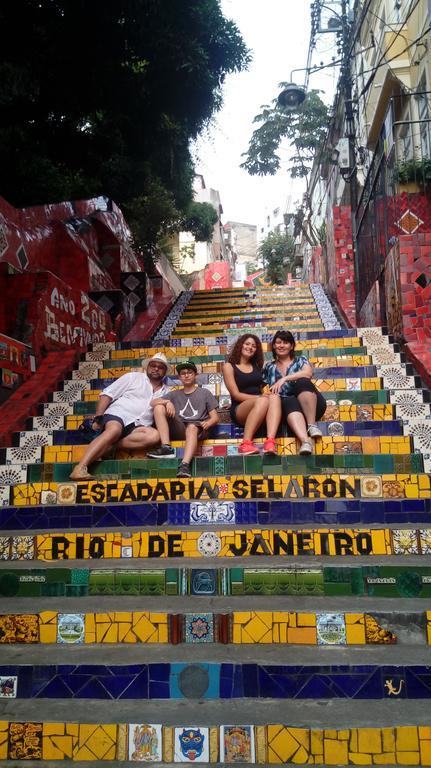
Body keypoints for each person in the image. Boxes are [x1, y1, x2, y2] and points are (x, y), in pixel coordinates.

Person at [69, 353, 170, 480]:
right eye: (153, 365)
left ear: (165, 371)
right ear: (147, 367)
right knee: (115, 430)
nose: (156, 369)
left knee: (154, 436)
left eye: (160, 367)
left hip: (138, 426)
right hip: (118, 415)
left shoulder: (167, 391)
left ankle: (111, 446)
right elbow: (107, 394)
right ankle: (80, 467)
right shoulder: (133, 377)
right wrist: (99, 417)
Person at [148, 360, 219, 478]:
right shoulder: (174, 394)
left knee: (191, 427)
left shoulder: (204, 393)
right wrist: (167, 402)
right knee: (158, 407)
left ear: (195, 375)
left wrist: (208, 422)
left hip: (198, 429)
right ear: (179, 377)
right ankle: (166, 447)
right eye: (183, 373)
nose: (186, 375)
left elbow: (215, 417)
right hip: (180, 428)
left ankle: (185, 465)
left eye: (190, 372)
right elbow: (153, 402)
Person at [262, 330, 326, 455]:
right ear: (274, 346)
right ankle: (305, 442)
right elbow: (256, 387)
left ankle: (312, 425)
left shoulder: (300, 360)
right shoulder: (269, 367)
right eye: (278, 343)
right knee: (288, 399)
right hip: (289, 410)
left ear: (291, 346)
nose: (281, 345)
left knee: (303, 381)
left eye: (285, 343)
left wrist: (285, 379)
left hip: (311, 405)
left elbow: (308, 373)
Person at [223, 333, 281, 455]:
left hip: (259, 405)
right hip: (240, 408)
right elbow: (236, 394)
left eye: (254, 346)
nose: (250, 347)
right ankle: (245, 444)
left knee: (274, 397)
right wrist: (259, 397)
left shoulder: (256, 367)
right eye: (247, 344)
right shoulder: (229, 366)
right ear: (240, 345)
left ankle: (270, 442)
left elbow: (261, 389)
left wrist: (264, 396)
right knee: (264, 400)